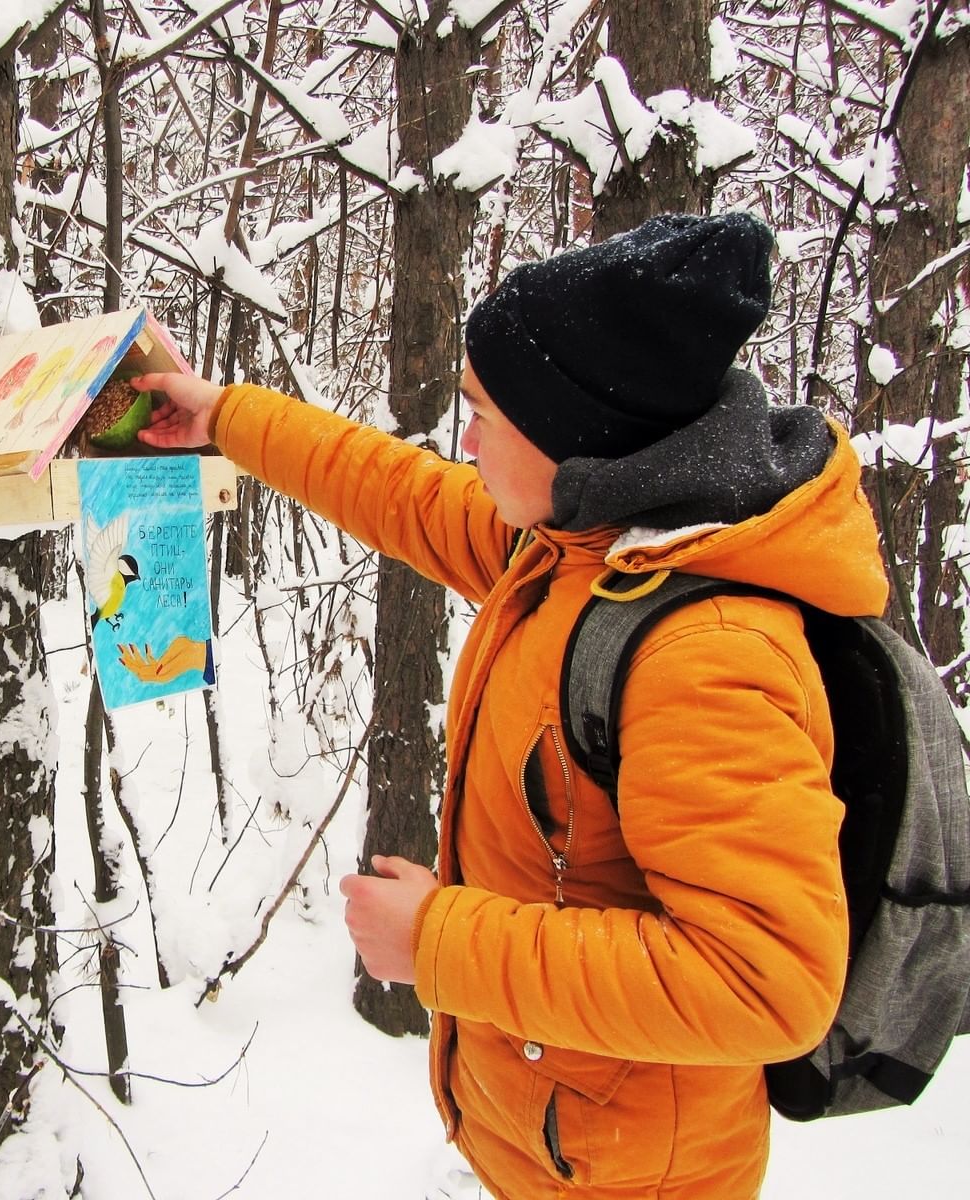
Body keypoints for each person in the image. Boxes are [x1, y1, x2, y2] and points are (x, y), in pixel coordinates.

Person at [132, 211, 888, 1199]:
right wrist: (221, 414)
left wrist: (438, 941)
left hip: (634, 1179)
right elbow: (396, 490)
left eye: (486, 413)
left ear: (579, 439)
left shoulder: (702, 655)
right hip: (556, 1141)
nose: (465, 438)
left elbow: (763, 983)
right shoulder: (578, 550)